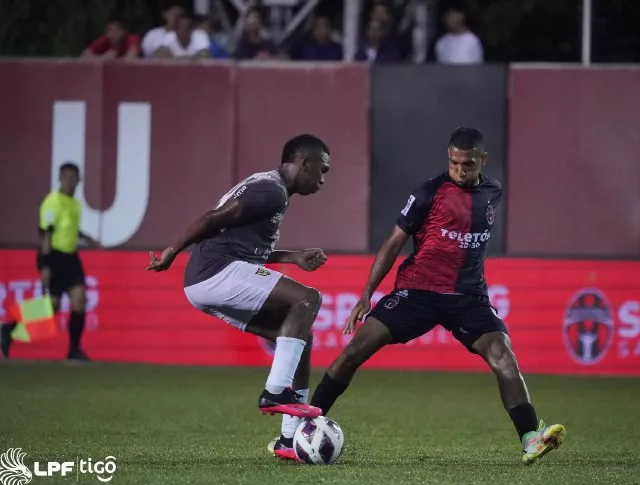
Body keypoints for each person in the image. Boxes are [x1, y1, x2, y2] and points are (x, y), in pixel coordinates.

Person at [305, 127, 566, 465]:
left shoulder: (493, 192)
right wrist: (366, 294)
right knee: (354, 350)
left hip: (468, 298)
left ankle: (531, 439)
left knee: (503, 355)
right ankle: (299, 428)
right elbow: (393, 243)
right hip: (418, 292)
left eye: (467, 164)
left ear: (483, 160)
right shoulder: (429, 192)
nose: (459, 170)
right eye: (454, 163)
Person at [146, 134, 331, 461]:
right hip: (216, 272)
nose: (323, 178)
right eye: (322, 169)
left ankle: (288, 441)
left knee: (299, 336)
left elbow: (245, 248)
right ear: (304, 163)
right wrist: (171, 252)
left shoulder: (272, 190)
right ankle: (275, 392)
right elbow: (212, 219)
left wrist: (293, 257)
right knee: (307, 299)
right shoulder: (270, 191)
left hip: (207, 280)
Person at [1, 163, 99, 361]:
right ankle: (7, 329)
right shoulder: (51, 202)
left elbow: (68, 228)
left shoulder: (75, 204)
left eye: (74, 178)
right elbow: (46, 234)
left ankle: (74, 350)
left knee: (79, 299)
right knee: (50, 307)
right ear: (60, 179)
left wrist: (86, 238)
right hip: (53, 256)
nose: (70, 182)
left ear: (79, 181)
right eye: (67, 178)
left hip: (71, 257)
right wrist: (45, 266)